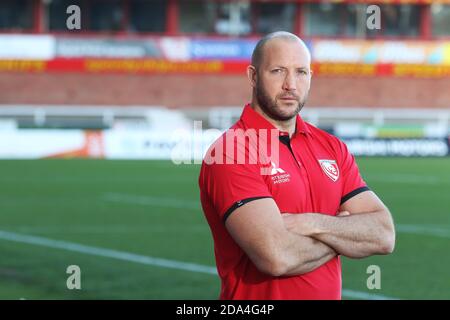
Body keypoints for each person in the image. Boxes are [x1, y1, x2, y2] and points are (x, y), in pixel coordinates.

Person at [198, 31, 395, 300]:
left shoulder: (332, 147)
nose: (291, 84)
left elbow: (383, 234)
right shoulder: (232, 150)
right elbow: (277, 257)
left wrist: (310, 223)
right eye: (278, 71)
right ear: (253, 76)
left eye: (301, 72)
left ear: (311, 77)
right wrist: (343, 235)